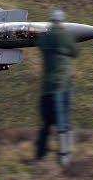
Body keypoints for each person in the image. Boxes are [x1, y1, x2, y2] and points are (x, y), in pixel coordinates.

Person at [34, 9, 79, 166]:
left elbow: (40, 44)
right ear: (61, 21)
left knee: (46, 125)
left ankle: (39, 157)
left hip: (46, 88)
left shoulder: (46, 38)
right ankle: (64, 157)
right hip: (63, 87)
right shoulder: (65, 36)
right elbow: (75, 52)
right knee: (64, 123)